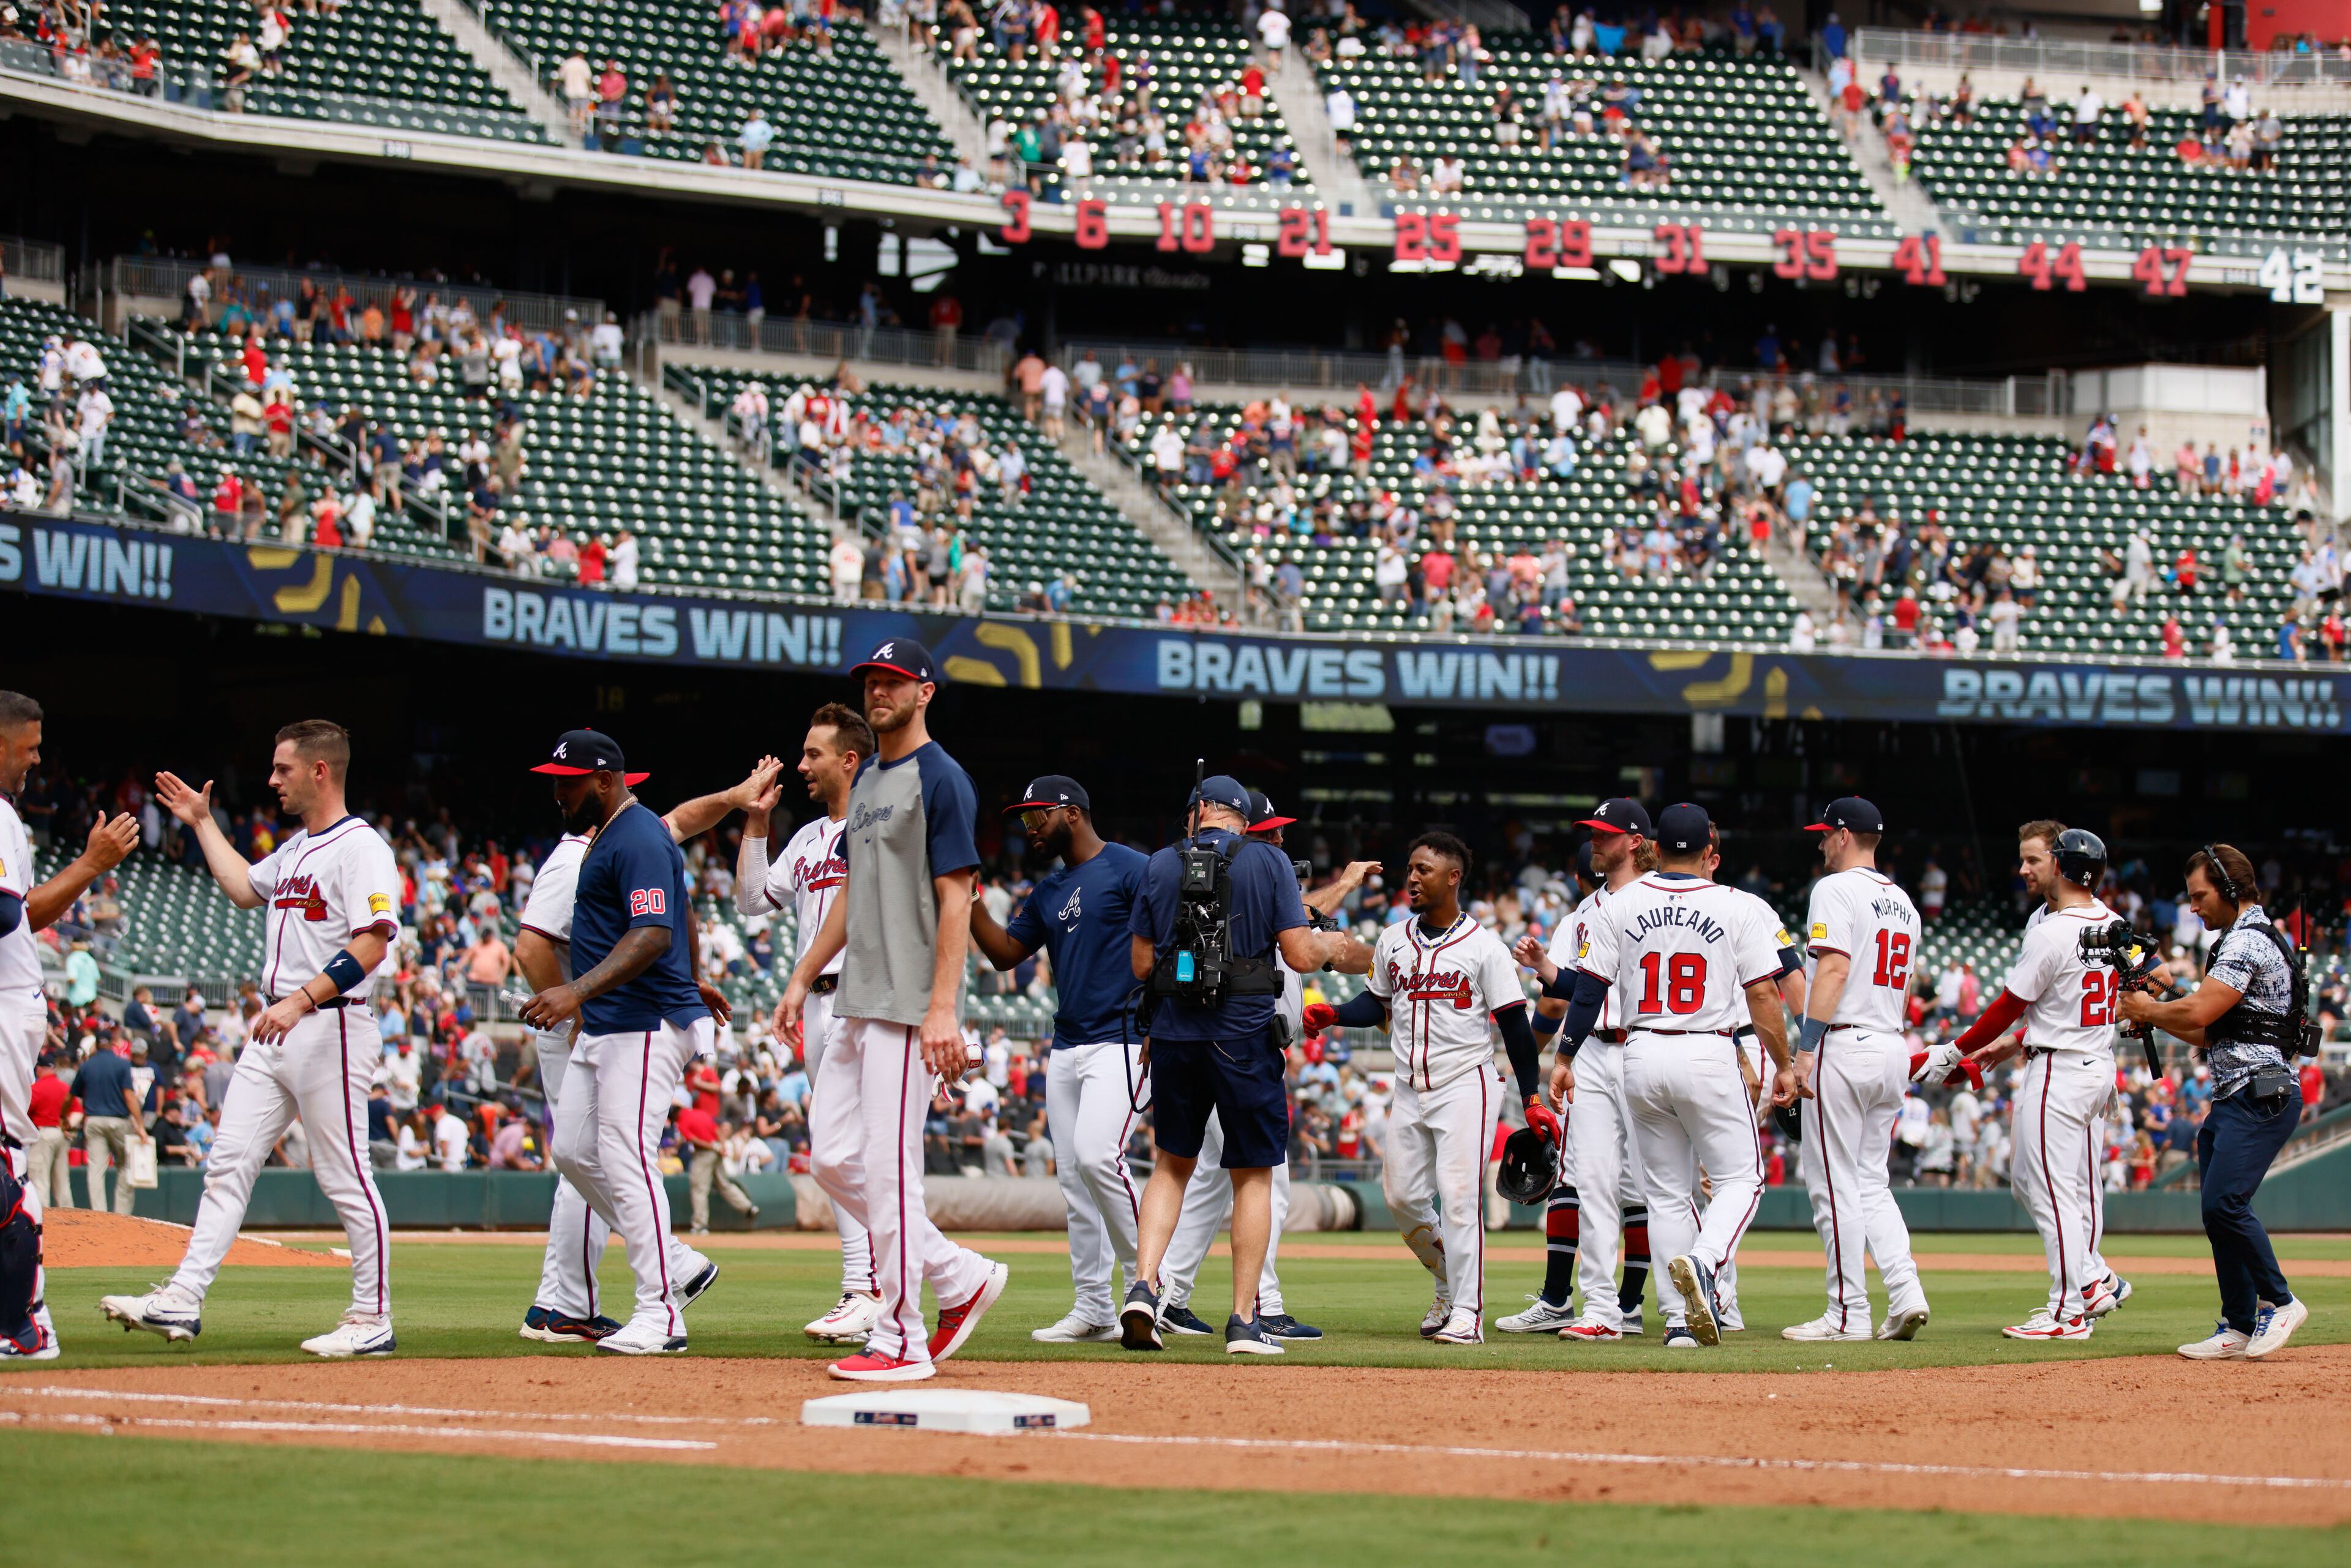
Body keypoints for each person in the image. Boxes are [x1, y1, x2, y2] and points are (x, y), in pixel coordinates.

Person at [103, 722, 402, 1357]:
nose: (272, 780)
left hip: (332, 1022)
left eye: (283, 769)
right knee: (227, 1163)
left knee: (345, 1173)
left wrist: (301, 998)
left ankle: (372, 1314)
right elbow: (243, 887)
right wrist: (201, 822)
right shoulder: (296, 849)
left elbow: (374, 939)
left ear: (320, 771)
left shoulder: (360, 847)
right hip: (278, 1026)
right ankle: (183, 1297)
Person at [776, 639, 1010, 1382]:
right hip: (856, 992)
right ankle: (957, 1272)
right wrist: (802, 972)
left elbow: (956, 897)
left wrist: (943, 1007)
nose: (880, 690)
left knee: (886, 1164)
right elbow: (852, 889)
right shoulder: (872, 773)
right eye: (872, 681)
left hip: (909, 1000)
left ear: (925, 692)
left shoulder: (941, 778)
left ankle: (903, 1338)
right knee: (836, 1156)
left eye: (894, 681)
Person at [513, 760, 765, 1343]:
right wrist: (690, 974)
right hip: (609, 1021)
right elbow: (682, 912)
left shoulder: (637, 832)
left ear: (603, 781)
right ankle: (674, 1260)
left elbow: (655, 931)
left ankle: (661, 1313)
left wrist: (575, 989)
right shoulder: (612, 835)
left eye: (567, 781)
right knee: (574, 1151)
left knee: (626, 1155)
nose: (557, 792)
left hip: (644, 1022)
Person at [1524, 803, 1794, 1348]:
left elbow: (1591, 986)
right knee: (1744, 1179)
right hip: (1705, 1048)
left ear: (1654, 844)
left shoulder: (1621, 904)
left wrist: (1565, 1056)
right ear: (1706, 850)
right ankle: (1704, 1262)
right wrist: (1784, 1063)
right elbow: (1763, 992)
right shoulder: (1733, 904)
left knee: (1666, 1194)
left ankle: (1678, 1322)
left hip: (1641, 1052)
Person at [1120, 773, 1345, 1356]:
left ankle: (1144, 1286)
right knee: (1253, 1176)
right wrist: (1326, 946)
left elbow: (1143, 964)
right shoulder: (1268, 862)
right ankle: (1244, 1320)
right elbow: (1298, 952)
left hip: (1173, 1034)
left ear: (1198, 810)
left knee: (1171, 1166)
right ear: (1239, 817)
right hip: (1243, 1035)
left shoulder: (1160, 864)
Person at [1305, 833, 1547, 1345]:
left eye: (1423, 869)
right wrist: (1335, 1015)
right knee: (1401, 1197)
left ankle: (1467, 1312)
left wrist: (1531, 1098)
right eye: (1410, 869)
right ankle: (1447, 1279)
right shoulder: (1395, 939)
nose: (1411, 878)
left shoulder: (1484, 947)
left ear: (1453, 876)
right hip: (1409, 1086)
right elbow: (1375, 1004)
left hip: (1466, 1083)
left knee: (1460, 1200)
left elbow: (1517, 1030)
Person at [967, 774, 1150, 1343]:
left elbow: (1172, 942)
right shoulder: (1048, 891)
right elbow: (1004, 955)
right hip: (1067, 1044)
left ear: (1071, 813)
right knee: (1074, 1178)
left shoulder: (1131, 867)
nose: (1029, 829)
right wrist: (967, 895)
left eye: (1035, 816)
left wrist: (1163, 1021)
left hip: (1122, 1038)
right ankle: (1095, 1306)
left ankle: (1148, 1287)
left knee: (1100, 1158)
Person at [2117, 846, 2309, 1360]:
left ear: (2229, 888)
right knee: (2216, 1210)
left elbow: (2201, 1009)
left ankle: (2283, 1301)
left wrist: (2150, 1007)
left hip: (2259, 1093)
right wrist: (2156, 1012)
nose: (2193, 907)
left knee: (2226, 1203)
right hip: (2235, 1094)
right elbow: (2207, 1030)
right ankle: (2240, 1324)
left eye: (2200, 895)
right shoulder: (2234, 941)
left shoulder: (2246, 940)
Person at [1946, 822, 2129, 1340]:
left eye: (2043, 858)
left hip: (2062, 1066)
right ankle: (2089, 1282)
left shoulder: (2054, 929)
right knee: (2034, 1184)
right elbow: (2146, 976)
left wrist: (1958, 1049)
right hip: (2091, 1062)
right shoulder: (2113, 921)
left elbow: (2009, 1005)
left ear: (2063, 865)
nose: (2032, 867)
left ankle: (2071, 1307)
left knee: (2052, 1191)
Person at [0, 691, 137, 1356]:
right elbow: (23, 914)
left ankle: (25, 1322)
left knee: (4, 1165)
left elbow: (7, 916)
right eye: (28, 747)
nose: (36, 760)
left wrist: (89, 865)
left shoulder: (0, 815)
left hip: (4, 1003)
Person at [744, 704, 880, 1345]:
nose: (800, 765)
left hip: (864, 998)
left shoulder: (877, 820)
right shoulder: (803, 840)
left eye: (812, 754)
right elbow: (751, 902)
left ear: (848, 759)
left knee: (848, 1148)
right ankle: (868, 1285)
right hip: (819, 1004)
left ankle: (870, 1285)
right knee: (832, 1148)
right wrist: (756, 823)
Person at [1784, 797, 1931, 1342]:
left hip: (1843, 1044)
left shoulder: (1835, 888)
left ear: (1845, 835)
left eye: (1825, 833)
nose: (1821, 842)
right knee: (1871, 1181)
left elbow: (1835, 969)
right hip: (1891, 1042)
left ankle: (1847, 1313)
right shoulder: (1906, 903)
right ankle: (1906, 1290)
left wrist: (1805, 1048)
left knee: (1833, 1184)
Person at [1505, 814, 1654, 1340]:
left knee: (1659, 1186)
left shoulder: (1664, 900)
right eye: (1592, 832)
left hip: (1649, 1047)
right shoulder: (1583, 914)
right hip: (1593, 1047)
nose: (1595, 839)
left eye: (1605, 833)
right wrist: (1545, 965)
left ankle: (1686, 1302)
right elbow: (1571, 989)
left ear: (1636, 842)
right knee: (1587, 1180)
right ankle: (1600, 1309)